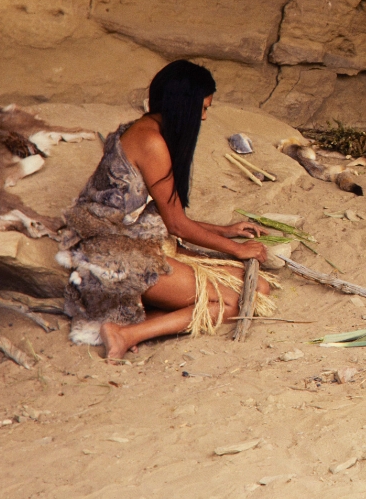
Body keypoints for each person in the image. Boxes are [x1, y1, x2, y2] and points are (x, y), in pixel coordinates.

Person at [56, 60, 280, 361]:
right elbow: (176, 224)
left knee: (260, 286)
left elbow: (164, 214)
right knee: (242, 300)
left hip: (130, 241)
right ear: (182, 106)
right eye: (202, 108)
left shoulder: (148, 128)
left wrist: (224, 230)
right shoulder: (151, 142)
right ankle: (125, 334)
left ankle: (141, 318)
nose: (203, 117)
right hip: (115, 257)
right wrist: (236, 249)